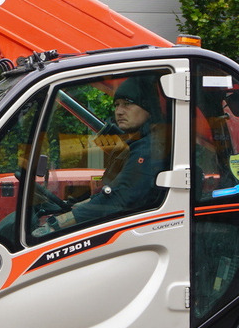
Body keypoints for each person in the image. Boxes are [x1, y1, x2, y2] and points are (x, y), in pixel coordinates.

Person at [34, 75, 169, 237]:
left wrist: (56, 224)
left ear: (148, 108)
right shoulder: (139, 144)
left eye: (127, 104)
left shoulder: (149, 149)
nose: (119, 111)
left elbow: (120, 197)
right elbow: (111, 192)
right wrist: (75, 206)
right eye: (117, 105)